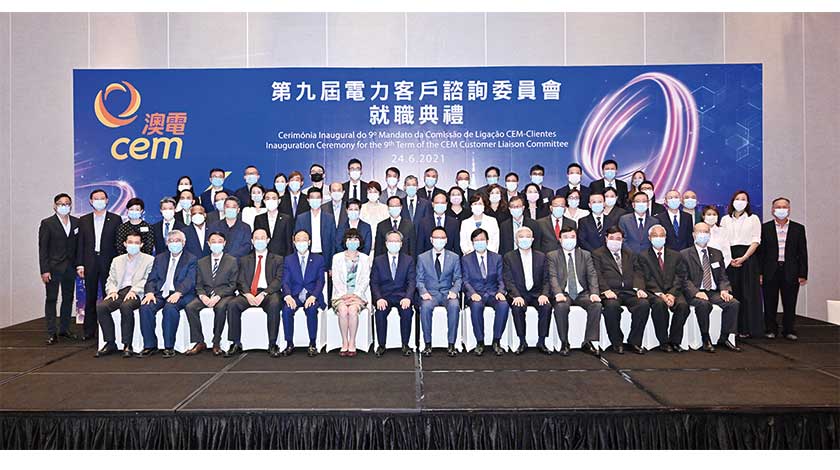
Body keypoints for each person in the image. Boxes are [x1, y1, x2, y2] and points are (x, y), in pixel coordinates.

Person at [681, 223, 742, 353]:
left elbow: (723, 276)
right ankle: (705, 338)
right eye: (700, 232)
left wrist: (725, 289)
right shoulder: (684, 254)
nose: (703, 235)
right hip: (696, 292)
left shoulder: (717, 253)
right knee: (703, 305)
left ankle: (724, 337)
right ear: (693, 235)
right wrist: (696, 292)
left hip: (713, 292)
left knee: (733, 303)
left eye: (706, 232)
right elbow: (684, 279)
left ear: (709, 235)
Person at [138, 229, 197, 358]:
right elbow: (152, 278)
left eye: (177, 240)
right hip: (160, 293)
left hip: (181, 294)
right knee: (145, 307)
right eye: (171, 241)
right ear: (166, 243)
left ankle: (169, 346)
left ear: (183, 242)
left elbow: (190, 280)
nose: (174, 243)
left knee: (170, 308)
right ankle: (150, 345)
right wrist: (149, 292)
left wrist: (179, 292)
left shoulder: (191, 259)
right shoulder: (160, 258)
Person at [94, 232, 155, 357]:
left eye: (136, 243)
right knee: (101, 307)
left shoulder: (149, 260)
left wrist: (134, 290)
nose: (133, 245)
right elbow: (111, 280)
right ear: (125, 244)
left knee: (126, 306)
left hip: (137, 292)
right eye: (130, 242)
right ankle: (110, 342)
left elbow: (148, 280)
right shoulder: (117, 260)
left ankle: (127, 344)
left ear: (141, 245)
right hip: (119, 292)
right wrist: (112, 291)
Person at [591, 226, 650, 354]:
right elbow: (597, 274)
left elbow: (638, 272)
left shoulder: (630, 254)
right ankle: (617, 342)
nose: (615, 241)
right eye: (612, 238)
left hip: (629, 291)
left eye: (618, 238)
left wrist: (639, 288)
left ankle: (634, 342)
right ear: (606, 238)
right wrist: (605, 290)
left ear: (623, 240)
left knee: (643, 304)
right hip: (611, 292)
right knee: (611, 307)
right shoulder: (597, 254)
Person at [226, 229, 284, 357]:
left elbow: (278, 280)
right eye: (256, 238)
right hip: (249, 292)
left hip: (268, 293)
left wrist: (264, 294)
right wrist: (247, 294)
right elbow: (240, 280)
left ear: (268, 240)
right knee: (232, 305)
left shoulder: (278, 259)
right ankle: (235, 343)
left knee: (275, 303)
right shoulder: (244, 259)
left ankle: (272, 344)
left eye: (262, 238)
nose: (259, 241)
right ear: (252, 241)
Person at [547, 228, 602, 356]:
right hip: (563, 293)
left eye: (572, 237)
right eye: (566, 237)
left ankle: (588, 341)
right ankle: (564, 342)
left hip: (582, 293)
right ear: (560, 239)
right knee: (561, 307)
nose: (569, 240)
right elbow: (552, 276)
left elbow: (592, 275)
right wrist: (558, 293)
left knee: (596, 305)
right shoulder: (552, 256)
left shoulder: (585, 255)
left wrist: (594, 293)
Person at [758, 197, 808, 340]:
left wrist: (803, 274)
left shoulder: (798, 228)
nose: (781, 209)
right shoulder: (765, 228)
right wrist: (760, 273)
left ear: (789, 209)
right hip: (770, 270)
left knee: (790, 302)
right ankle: (770, 329)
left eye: (784, 207)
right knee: (769, 301)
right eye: (778, 207)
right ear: (772, 210)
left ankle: (789, 330)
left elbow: (802, 253)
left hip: (791, 270)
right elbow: (761, 253)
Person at [75, 189, 122, 340]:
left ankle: (109, 331)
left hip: (109, 262)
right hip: (90, 261)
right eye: (96, 198)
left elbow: (118, 243)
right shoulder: (84, 220)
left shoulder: (115, 219)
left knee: (110, 296)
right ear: (90, 201)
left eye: (102, 198)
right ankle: (89, 331)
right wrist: (80, 264)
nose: (99, 201)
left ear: (107, 200)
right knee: (90, 297)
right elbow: (80, 243)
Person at [635, 225, 690, 352]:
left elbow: (680, 276)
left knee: (683, 306)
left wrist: (672, 294)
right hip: (654, 292)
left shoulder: (676, 255)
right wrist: (661, 294)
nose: (658, 238)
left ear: (665, 237)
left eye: (661, 235)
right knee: (659, 305)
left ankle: (675, 341)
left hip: (673, 291)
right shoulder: (643, 256)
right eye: (655, 235)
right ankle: (663, 341)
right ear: (649, 238)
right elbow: (646, 279)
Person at [183, 232, 239, 356]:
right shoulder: (201, 262)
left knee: (220, 307)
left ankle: (216, 342)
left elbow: (233, 284)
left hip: (224, 295)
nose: (216, 244)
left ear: (224, 243)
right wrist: (202, 296)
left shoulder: (232, 261)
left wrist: (218, 296)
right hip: (206, 294)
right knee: (190, 307)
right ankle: (199, 341)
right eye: (213, 241)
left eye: (219, 241)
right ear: (208, 244)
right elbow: (198, 284)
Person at [719, 190, 762, 338]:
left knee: (748, 294)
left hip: (748, 258)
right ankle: (732, 329)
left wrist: (744, 257)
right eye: (737, 198)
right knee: (733, 293)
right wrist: (729, 259)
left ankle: (747, 328)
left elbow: (756, 240)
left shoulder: (753, 219)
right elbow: (722, 241)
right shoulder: (725, 219)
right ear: (732, 201)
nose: (740, 201)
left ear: (748, 202)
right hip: (729, 259)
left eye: (743, 199)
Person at [39, 193, 80, 344]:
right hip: (53, 268)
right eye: (61, 204)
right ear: (55, 206)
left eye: (67, 203)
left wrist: (79, 264)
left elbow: (78, 246)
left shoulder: (76, 222)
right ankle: (51, 332)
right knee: (51, 299)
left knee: (68, 299)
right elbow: (43, 248)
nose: (64, 206)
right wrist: (44, 270)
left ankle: (64, 329)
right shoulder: (47, 223)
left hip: (70, 267)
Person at [503, 227, 552, 354]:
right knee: (517, 307)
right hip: (519, 294)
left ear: (532, 239)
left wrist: (544, 294)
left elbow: (547, 279)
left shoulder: (541, 256)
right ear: (516, 240)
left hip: (537, 294)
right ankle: (522, 341)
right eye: (521, 237)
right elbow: (508, 280)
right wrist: (516, 296)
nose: (524, 239)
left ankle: (541, 341)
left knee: (546, 307)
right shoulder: (509, 257)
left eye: (527, 236)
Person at [461, 229, 510, 356]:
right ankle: (480, 342)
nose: (479, 242)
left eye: (482, 239)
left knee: (504, 305)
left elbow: (501, 279)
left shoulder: (497, 258)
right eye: (476, 240)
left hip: (493, 293)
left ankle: (496, 341)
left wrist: (501, 292)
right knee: (476, 306)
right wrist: (472, 293)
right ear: (472, 242)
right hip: (476, 294)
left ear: (487, 241)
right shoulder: (466, 259)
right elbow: (465, 281)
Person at [416, 226, 463, 357]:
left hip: (448, 293)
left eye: (442, 238)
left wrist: (454, 291)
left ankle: (451, 344)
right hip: (430, 294)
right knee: (425, 307)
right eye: (436, 238)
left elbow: (458, 278)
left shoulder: (454, 257)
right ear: (431, 240)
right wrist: (423, 292)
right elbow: (419, 280)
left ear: (446, 240)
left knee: (454, 305)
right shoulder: (422, 258)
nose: (439, 240)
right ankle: (427, 344)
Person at [371, 231, 416, 357]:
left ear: (401, 244)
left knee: (407, 312)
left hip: (402, 296)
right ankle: (381, 345)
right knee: (380, 313)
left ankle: (405, 344)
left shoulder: (408, 260)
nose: (394, 244)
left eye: (397, 241)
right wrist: (378, 298)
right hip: (384, 297)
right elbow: (374, 282)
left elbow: (412, 281)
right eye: (391, 241)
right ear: (386, 243)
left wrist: (408, 297)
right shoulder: (378, 260)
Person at [282, 230, 327, 357]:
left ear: (309, 242)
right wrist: (288, 296)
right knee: (286, 310)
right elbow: (285, 281)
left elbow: (320, 281)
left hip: (311, 295)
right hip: (294, 295)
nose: (301, 243)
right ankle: (289, 343)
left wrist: (313, 296)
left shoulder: (318, 259)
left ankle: (312, 344)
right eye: (298, 240)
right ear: (294, 242)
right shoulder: (288, 259)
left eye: (304, 240)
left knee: (312, 309)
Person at [331, 228, 371, 356]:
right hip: (340, 295)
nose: (352, 242)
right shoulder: (337, 258)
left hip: (358, 296)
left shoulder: (365, 258)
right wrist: (345, 295)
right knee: (343, 311)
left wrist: (355, 295)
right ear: (345, 241)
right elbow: (336, 279)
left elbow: (365, 279)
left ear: (359, 242)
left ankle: (352, 341)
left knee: (353, 310)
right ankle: (344, 341)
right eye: (349, 239)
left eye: (355, 239)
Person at [294, 187, 336, 271]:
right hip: (307, 256)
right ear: (308, 200)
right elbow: (296, 240)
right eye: (312, 198)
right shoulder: (301, 218)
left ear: (321, 200)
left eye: (317, 198)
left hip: (324, 257)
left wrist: (332, 265)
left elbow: (333, 242)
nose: (315, 200)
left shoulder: (329, 218)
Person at [253, 189, 293, 257]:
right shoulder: (259, 218)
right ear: (264, 201)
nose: (271, 201)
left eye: (274, 198)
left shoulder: (286, 219)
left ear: (279, 201)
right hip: (264, 256)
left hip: (282, 256)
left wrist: (288, 258)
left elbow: (289, 242)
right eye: (268, 199)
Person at [361, 181, 389, 246]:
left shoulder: (385, 208)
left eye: (375, 192)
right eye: (370, 192)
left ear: (379, 194)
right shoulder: (361, 208)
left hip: (381, 241)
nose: (372, 194)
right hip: (364, 241)